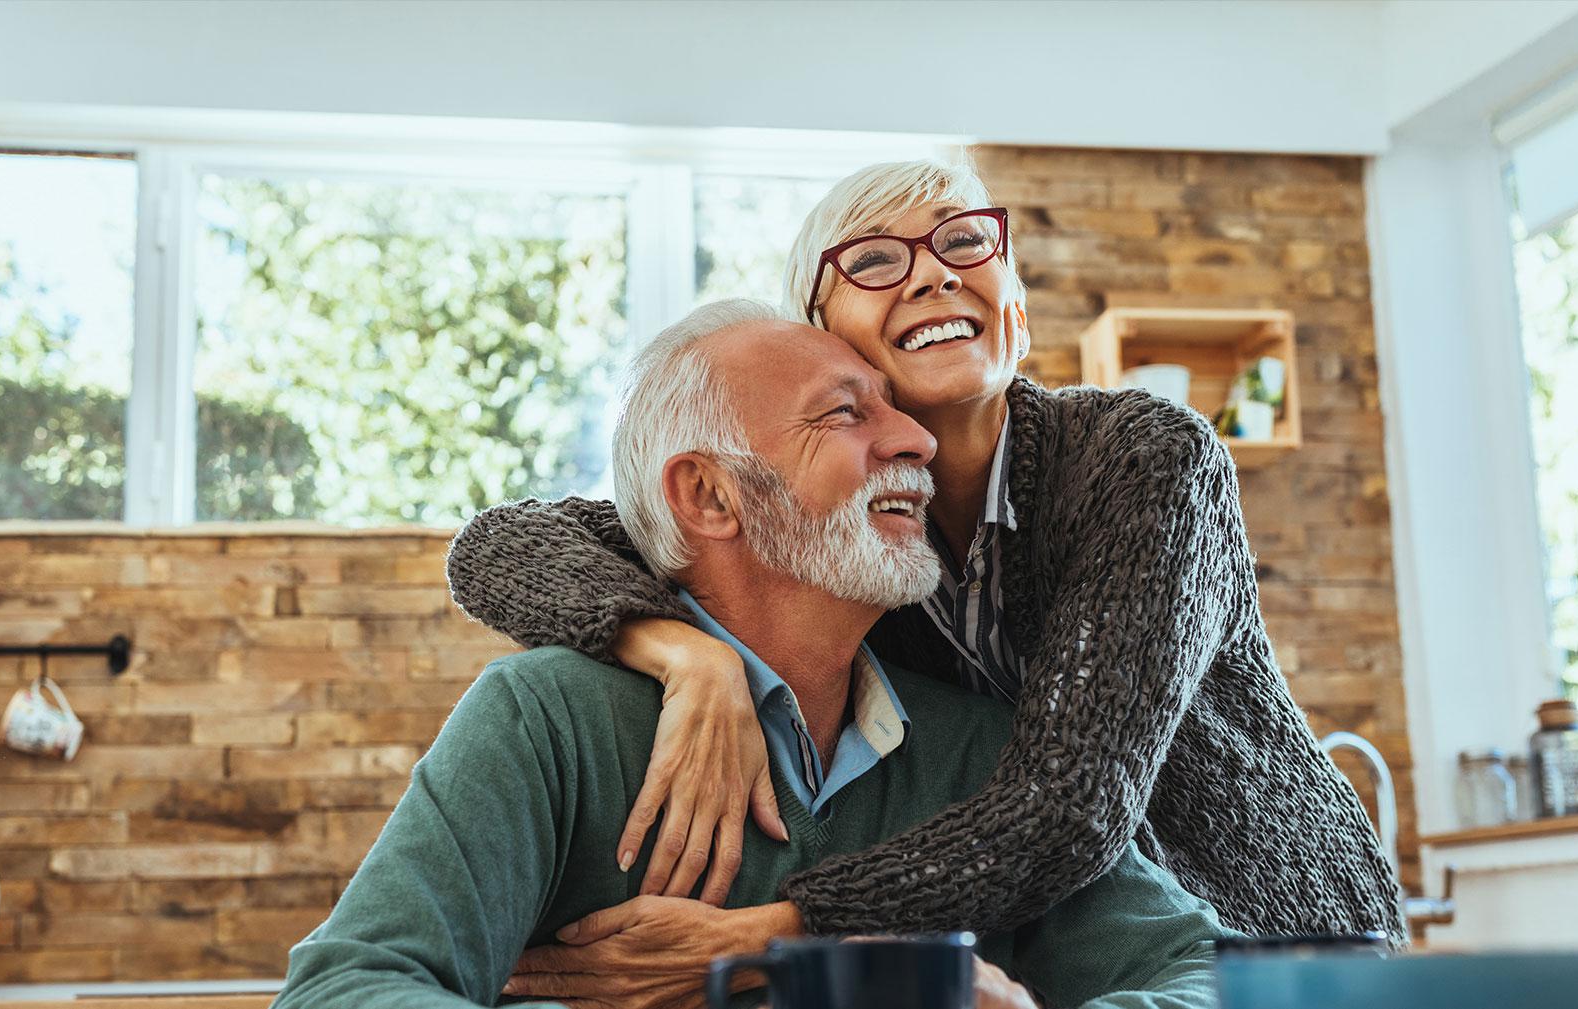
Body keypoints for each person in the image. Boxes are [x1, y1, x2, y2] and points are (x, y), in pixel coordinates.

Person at [446, 161, 1402, 998]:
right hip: (1067, 959)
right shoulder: (835, 531)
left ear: (1014, 307)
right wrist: (686, 654)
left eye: (963, 242)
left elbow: (1071, 806)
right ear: (821, 335)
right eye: (873, 260)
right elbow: (499, 544)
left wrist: (768, 936)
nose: (936, 270)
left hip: (1269, 939)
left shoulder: (1144, 459)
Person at [273, 301, 1232, 1009]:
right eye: (848, 413)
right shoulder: (546, 718)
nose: (914, 440)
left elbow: (1206, 981)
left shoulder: (980, 749)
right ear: (710, 498)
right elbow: (345, 989)